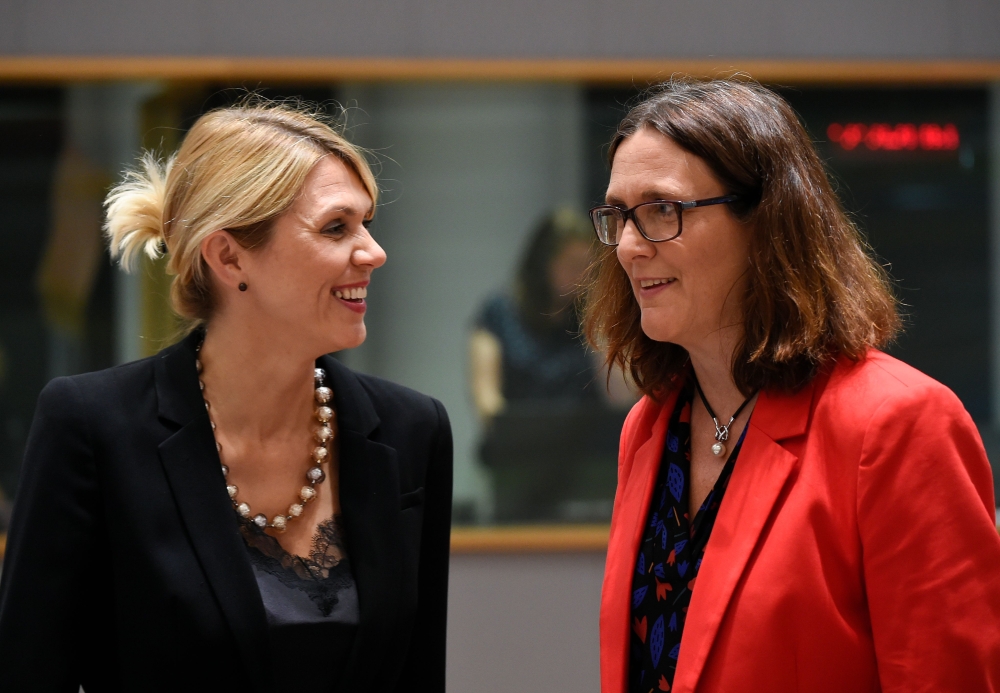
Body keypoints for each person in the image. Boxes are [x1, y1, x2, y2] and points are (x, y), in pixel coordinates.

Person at [0, 102, 453, 693]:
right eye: (336, 227)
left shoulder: (411, 429)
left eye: (366, 223)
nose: (373, 251)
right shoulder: (91, 426)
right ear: (228, 255)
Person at [583, 79, 1000, 693]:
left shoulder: (897, 423)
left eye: (661, 211)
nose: (628, 246)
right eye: (618, 215)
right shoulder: (648, 428)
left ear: (767, 222)